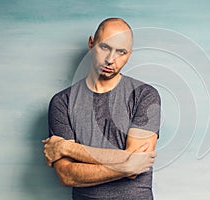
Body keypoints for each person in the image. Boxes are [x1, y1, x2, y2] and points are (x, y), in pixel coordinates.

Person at [42, 18, 161, 200]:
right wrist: (125, 165)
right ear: (91, 43)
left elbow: (136, 167)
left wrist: (66, 148)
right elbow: (66, 175)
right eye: (105, 47)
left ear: (129, 54)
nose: (111, 59)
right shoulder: (62, 102)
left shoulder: (145, 96)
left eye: (121, 52)